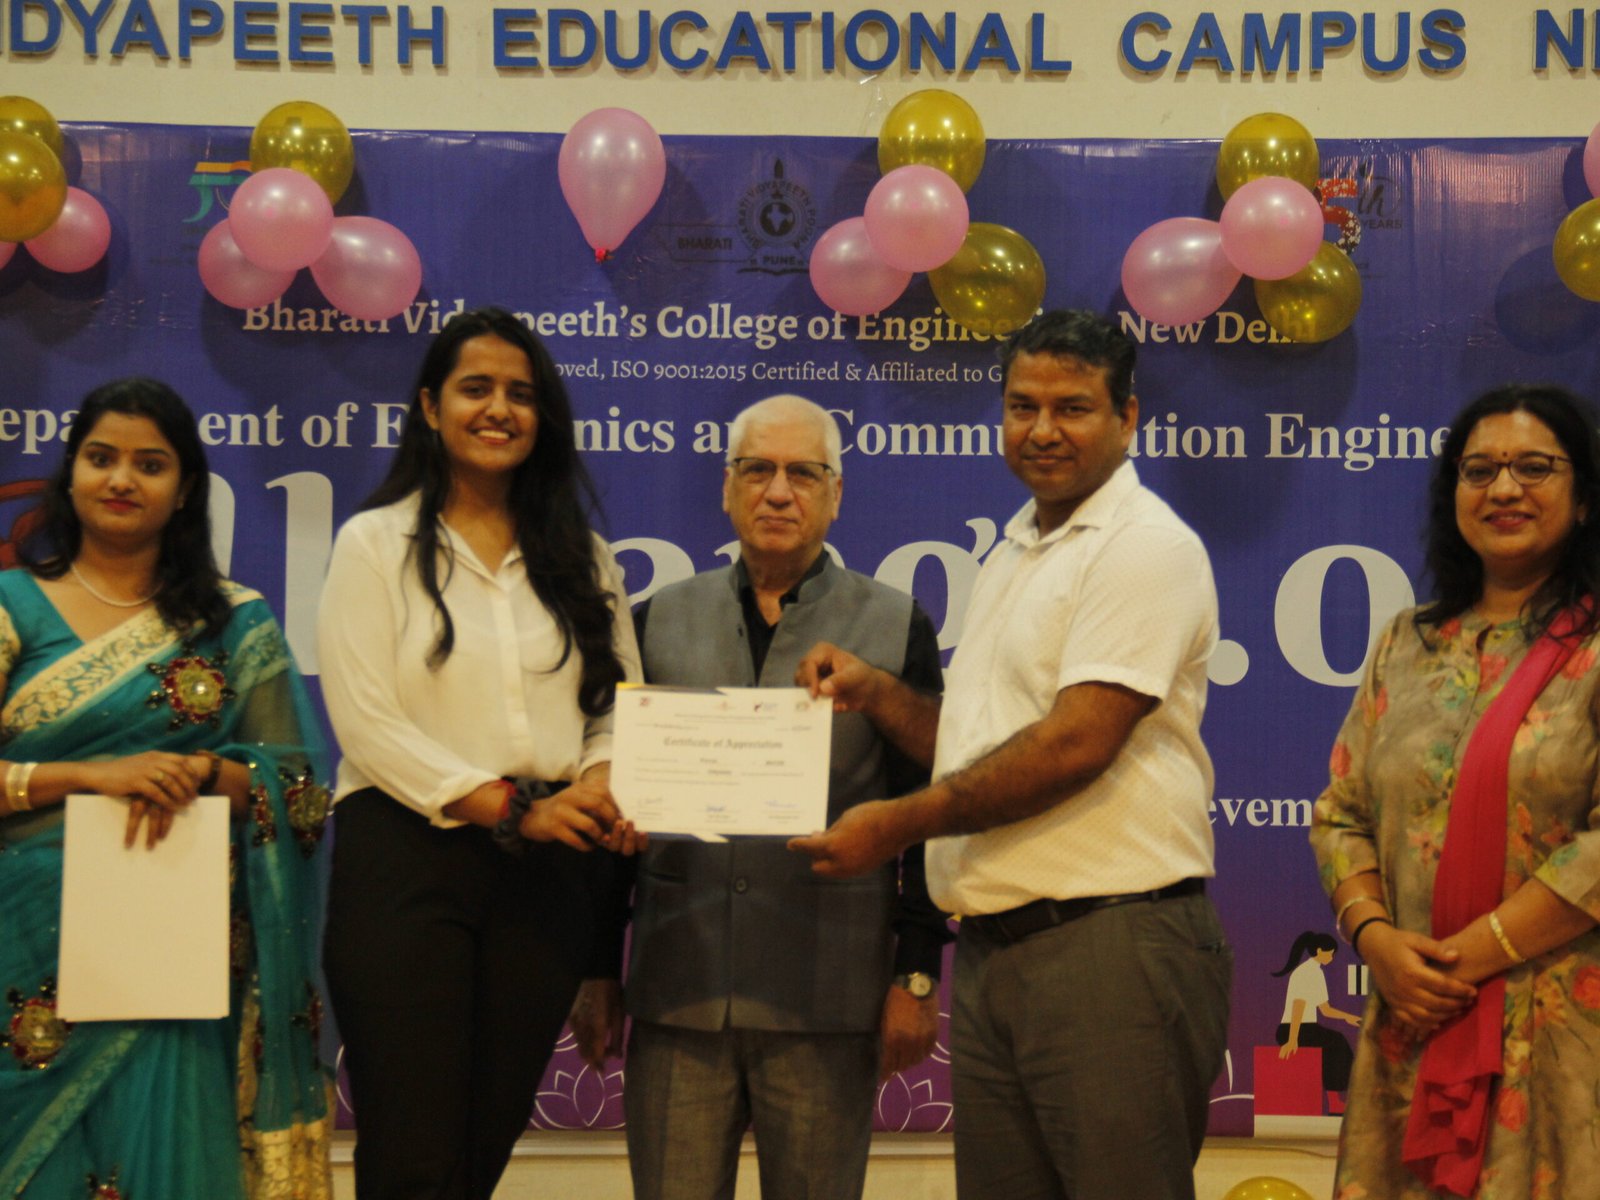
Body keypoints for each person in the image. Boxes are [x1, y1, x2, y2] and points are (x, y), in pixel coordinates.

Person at [789, 309, 1232, 1200]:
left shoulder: (1144, 546)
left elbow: (1073, 746)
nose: (1041, 430)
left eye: (1072, 408)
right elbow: (980, 749)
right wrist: (878, 694)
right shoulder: (1018, 546)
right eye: (1022, 406)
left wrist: (896, 826)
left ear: (1128, 418)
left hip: (1111, 947)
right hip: (999, 951)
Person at [567, 393, 950, 1200]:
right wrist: (598, 966)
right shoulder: (653, 620)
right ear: (727, 487)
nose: (778, 492)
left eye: (803, 473)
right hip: (679, 995)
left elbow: (926, 812)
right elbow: (613, 800)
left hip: (828, 1001)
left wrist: (916, 973)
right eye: (757, 470)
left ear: (836, 494)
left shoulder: (895, 624)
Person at [317, 307, 643, 1200]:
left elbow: (618, 705)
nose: (499, 409)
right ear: (431, 407)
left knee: (485, 1141)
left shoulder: (583, 557)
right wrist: (512, 809)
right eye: (476, 389)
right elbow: (366, 724)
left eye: (521, 394)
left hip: (548, 873)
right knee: (413, 1151)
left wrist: (601, 778)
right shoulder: (375, 544)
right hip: (407, 861)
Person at [0, 378, 332, 1199]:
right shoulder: (9, 606)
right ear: (71, 471)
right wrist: (88, 775)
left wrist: (210, 772)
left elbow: (299, 792)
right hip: (23, 951)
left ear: (184, 490)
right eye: (101, 458)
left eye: (149, 464)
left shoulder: (234, 622)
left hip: (171, 953)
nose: (121, 479)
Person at [1311, 383, 1600, 1200]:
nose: (1504, 488)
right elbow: (1340, 816)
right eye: (1480, 471)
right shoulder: (1407, 643)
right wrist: (1378, 944)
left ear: (1583, 498)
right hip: (1412, 1018)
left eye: (1534, 467)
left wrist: (1461, 961)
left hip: (1559, 1034)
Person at [1270, 931, 1359, 1113]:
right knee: (1337, 1043)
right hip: (1292, 1029)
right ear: (1319, 951)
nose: (1332, 958)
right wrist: (1292, 1039)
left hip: (1307, 1028)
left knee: (1336, 1042)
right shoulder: (1306, 972)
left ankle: (1336, 1100)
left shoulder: (1316, 972)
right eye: (1330, 954)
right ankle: (1335, 1101)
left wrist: (1347, 1017)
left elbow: (1325, 1009)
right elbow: (1298, 1006)